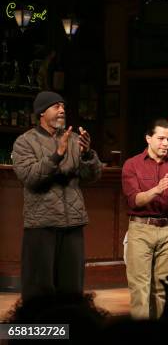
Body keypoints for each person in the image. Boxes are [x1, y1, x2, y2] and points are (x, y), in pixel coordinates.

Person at [12, 91, 102, 301]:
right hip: (42, 225)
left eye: (63, 106)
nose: (62, 110)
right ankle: (38, 333)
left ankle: (69, 332)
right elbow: (30, 177)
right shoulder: (25, 142)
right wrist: (56, 156)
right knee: (39, 291)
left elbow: (92, 177)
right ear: (42, 112)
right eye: (56, 106)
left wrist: (88, 154)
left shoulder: (74, 140)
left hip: (73, 224)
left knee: (71, 290)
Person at [121, 118, 168, 319]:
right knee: (140, 288)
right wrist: (156, 190)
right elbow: (134, 200)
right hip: (141, 229)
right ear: (148, 138)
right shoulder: (132, 164)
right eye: (161, 138)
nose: (165, 144)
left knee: (163, 288)